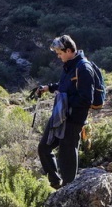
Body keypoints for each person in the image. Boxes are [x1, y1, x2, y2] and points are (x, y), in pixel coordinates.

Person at [35, 35, 101, 189]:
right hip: (61, 115)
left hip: (73, 119)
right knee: (44, 148)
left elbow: (86, 99)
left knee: (67, 154)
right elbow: (66, 85)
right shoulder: (70, 65)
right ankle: (56, 182)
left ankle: (68, 190)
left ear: (70, 50)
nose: (58, 57)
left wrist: (66, 102)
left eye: (60, 53)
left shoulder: (83, 68)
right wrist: (49, 88)